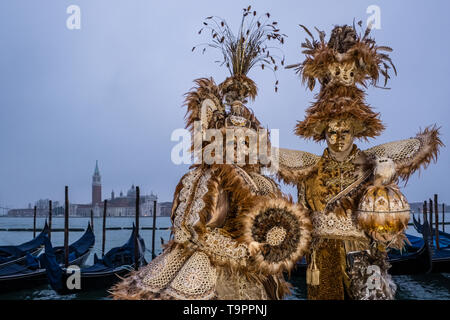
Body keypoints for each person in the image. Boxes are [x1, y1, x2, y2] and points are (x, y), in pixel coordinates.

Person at [109, 7, 311, 300]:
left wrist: (270, 246)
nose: (240, 148)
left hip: (254, 280)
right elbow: (188, 233)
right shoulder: (205, 178)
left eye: (247, 141)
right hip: (210, 275)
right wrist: (242, 249)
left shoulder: (264, 182)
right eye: (233, 140)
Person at [275, 24, 443, 300]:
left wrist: (383, 183)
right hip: (322, 261)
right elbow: (301, 216)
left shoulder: (374, 163)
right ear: (322, 132)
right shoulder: (309, 169)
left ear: (355, 131)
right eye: (332, 131)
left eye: (345, 132)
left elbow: (387, 213)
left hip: (364, 257)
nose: (339, 138)